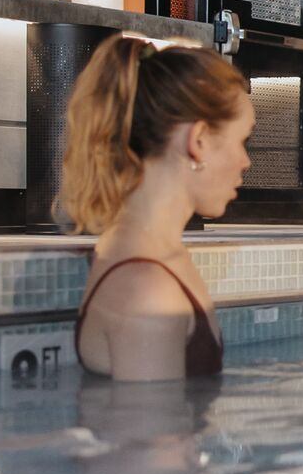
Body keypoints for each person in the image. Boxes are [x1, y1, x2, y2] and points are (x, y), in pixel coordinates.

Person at [59, 35, 254, 382]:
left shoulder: (152, 253)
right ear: (198, 142)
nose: (246, 162)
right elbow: (152, 433)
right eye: (242, 141)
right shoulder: (147, 290)